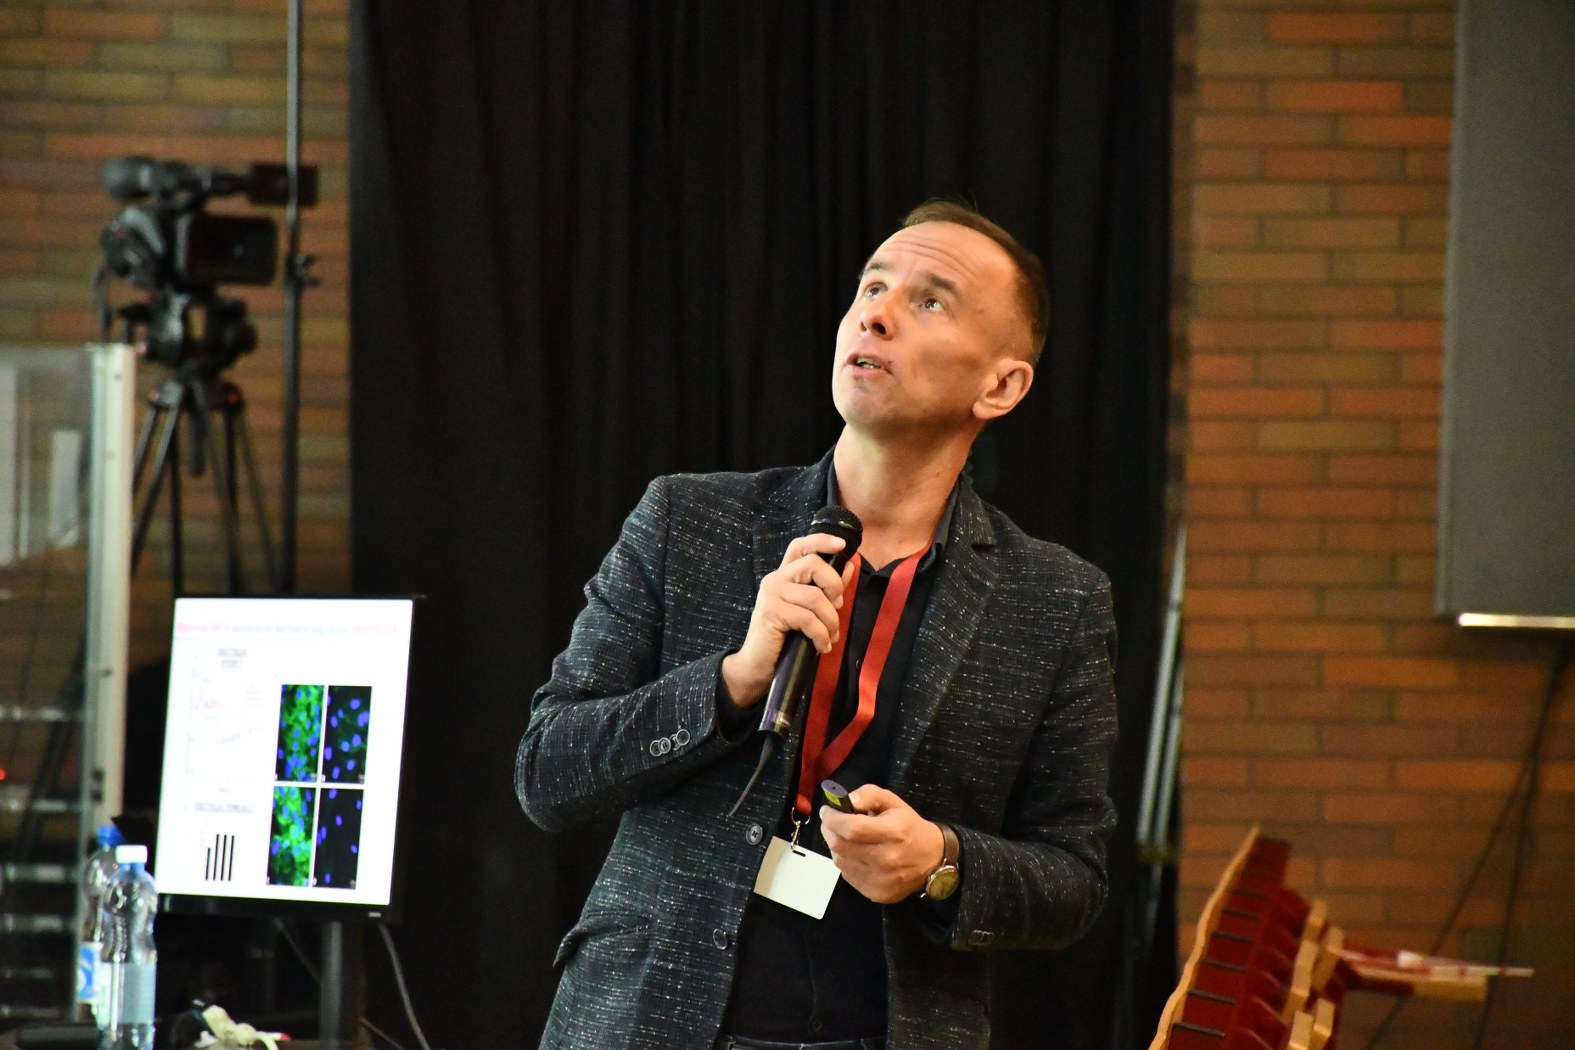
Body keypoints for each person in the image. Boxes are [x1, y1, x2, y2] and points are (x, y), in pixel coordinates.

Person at [516, 201, 1117, 1050]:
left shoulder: (1054, 599)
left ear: (1001, 385)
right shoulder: (688, 521)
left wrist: (941, 861)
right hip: (652, 1021)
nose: (877, 313)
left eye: (929, 301)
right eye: (872, 287)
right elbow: (547, 770)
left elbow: (1073, 879)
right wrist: (731, 684)